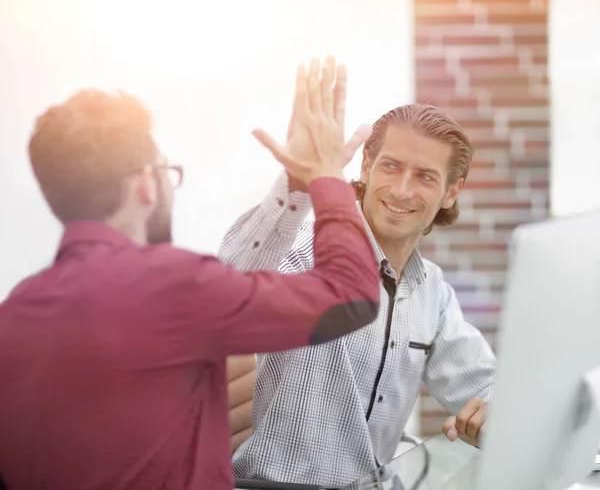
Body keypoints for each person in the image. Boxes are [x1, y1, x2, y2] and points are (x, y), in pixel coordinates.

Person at [0, 57, 381, 490]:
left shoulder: (12, 316)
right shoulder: (174, 286)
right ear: (146, 184)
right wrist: (326, 173)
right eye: (167, 174)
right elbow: (351, 295)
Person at [220, 103, 497, 488]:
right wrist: (298, 182)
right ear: (366, 166)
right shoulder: (307, 254)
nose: (402, 189)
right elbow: (225, 288)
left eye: (424, 177)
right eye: (391, 166)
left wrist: (494, 410)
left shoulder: (431, 290)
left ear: (452, 191)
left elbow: (483, 386)